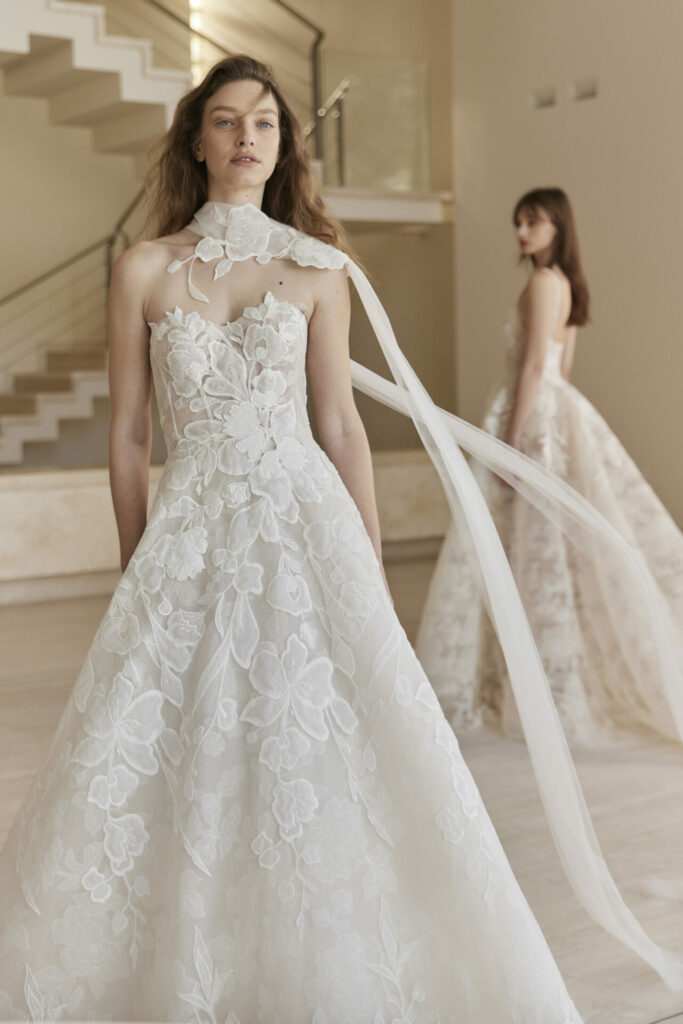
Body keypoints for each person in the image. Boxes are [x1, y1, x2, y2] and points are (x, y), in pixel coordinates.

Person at [416, 187, 683, 747]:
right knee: (549, 551)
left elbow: (537, 366)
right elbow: (565, 368)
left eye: (532, 222)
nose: (521, 232)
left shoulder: (541, 282)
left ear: (556, 226)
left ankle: (539, 684)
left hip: (534, 421)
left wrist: (510, 443)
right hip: (560, 417)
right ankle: (546, 678)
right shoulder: (567, 285)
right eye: (518, 222)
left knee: (528, 548)